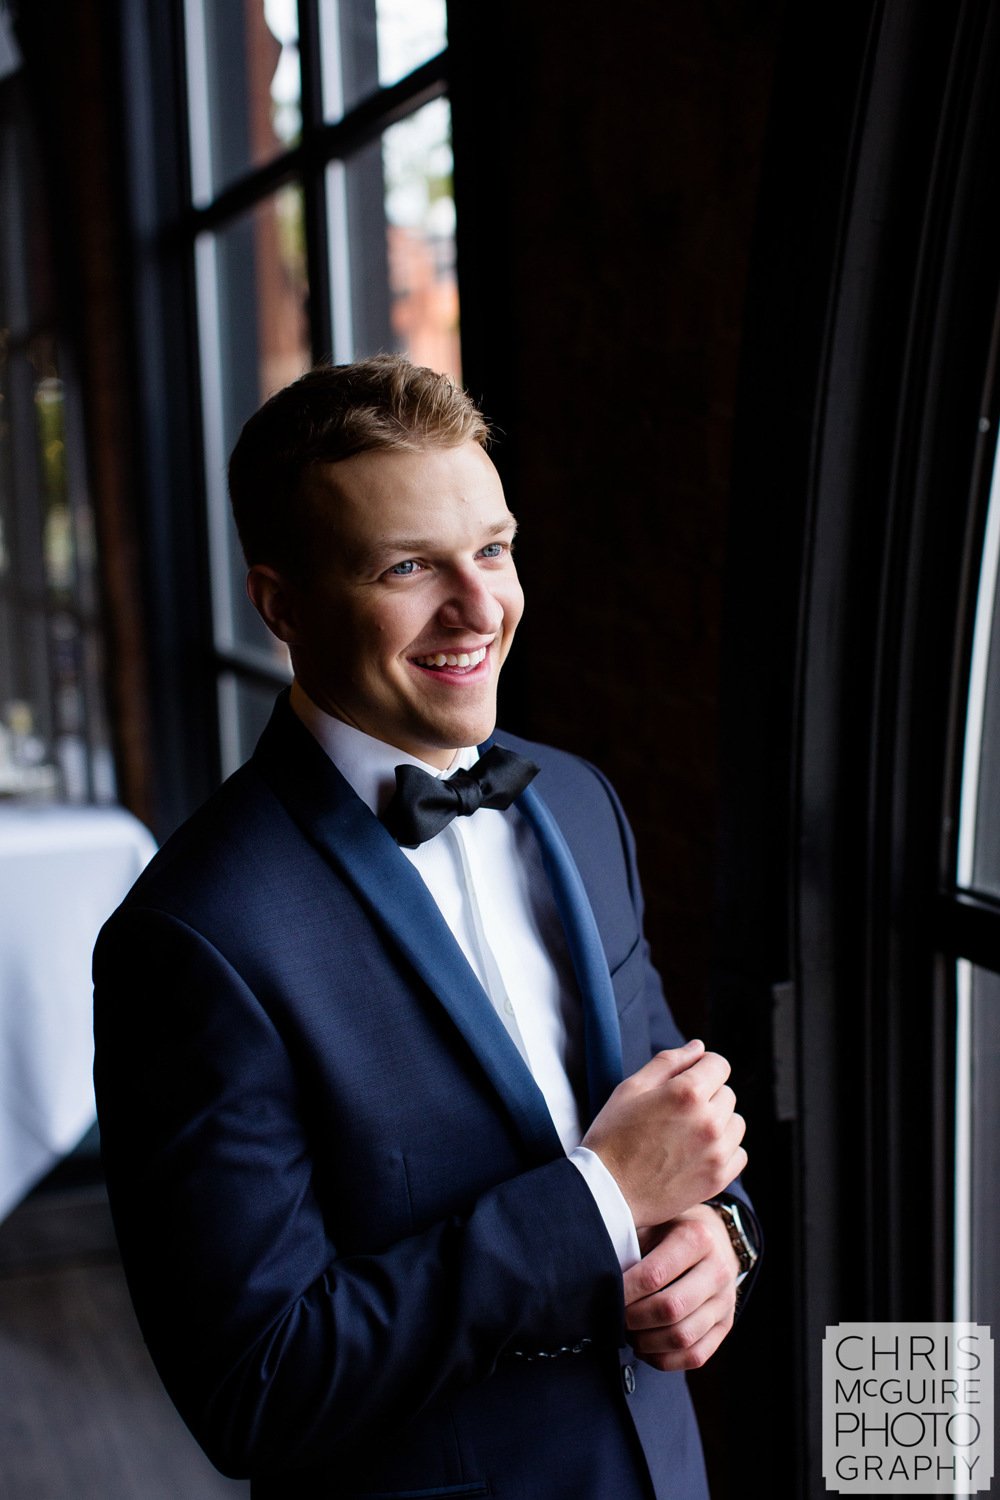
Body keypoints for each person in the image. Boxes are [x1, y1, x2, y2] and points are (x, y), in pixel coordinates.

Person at [93, 355, 759, 1500]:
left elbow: (670, 1124)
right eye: (408, 567)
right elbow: (256, 1385)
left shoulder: (575, 801)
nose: (479, 607)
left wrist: (718, 1240)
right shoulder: (192, 938)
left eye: (492, 550)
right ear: (281, 604)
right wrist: (598, 1200)